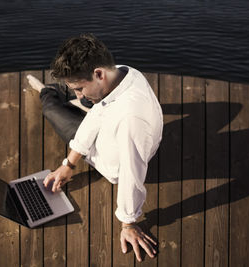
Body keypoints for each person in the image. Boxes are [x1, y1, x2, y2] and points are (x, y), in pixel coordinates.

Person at [26, 33, 163, 262]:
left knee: (51, 110)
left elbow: (131, 175)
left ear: (98, 74)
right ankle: (74, 104)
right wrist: (68, 164)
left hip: (110, 155)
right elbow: (100, 111)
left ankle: (47, 91)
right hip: (121, 132)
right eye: (76, 90)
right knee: (90, 107)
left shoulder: (130, 121)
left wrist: (128, 224)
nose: (80, 94)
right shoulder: (124, 71)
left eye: (79, 88)